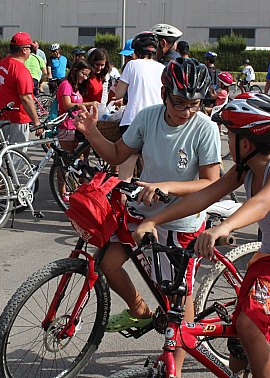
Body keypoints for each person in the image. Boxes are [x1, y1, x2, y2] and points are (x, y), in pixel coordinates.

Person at [135, 93, 270, 378]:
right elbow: (203, 197)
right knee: (239, 333)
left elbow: (261, 204)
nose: (227, 141)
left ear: (246, 143)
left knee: (250, 324)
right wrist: (153, 221)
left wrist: (222, 228)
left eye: (230, 135)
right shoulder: (244, 170)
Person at [74, 57, 220, 375]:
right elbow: (116, 154)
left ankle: (176, 370)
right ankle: (140, 310)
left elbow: (211, 181)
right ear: (164, 93)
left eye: (194, 104)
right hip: (141, 212)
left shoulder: (204, 128)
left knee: (179, 301)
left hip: (180, 221)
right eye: (179, 102)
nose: (186, 111)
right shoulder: (148, 116)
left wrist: (164, 186)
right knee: (106, 264)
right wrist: (90, 132)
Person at [113, 32, 166, 182]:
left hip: (132, 121)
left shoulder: (131, 65)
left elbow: (119, 94)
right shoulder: (162, 68)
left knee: (126, 170)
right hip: (156, 122)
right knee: (151, 169)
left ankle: (123, 203)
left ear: (136, 50)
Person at [0, 32, 42, 144]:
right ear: (24, 50)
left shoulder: (1, 64)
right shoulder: (21, 71)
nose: (30, 51)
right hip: (17, 118)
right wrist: (37, 122)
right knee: (16, 157)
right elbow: (26, 98)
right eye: (30, 48)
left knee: (3, 155)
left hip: (0, 116)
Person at [56, 60, 97, 202]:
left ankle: (72, 188)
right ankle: (62, 191)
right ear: (75, 71)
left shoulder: (76, 87)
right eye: (83, 74)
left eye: (87, 75)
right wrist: (87, 104)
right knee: (65, 161)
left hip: (76, 127)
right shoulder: (65, 85)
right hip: (66, 127)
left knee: (76, 160)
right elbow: (67, 105)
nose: (85, 78)